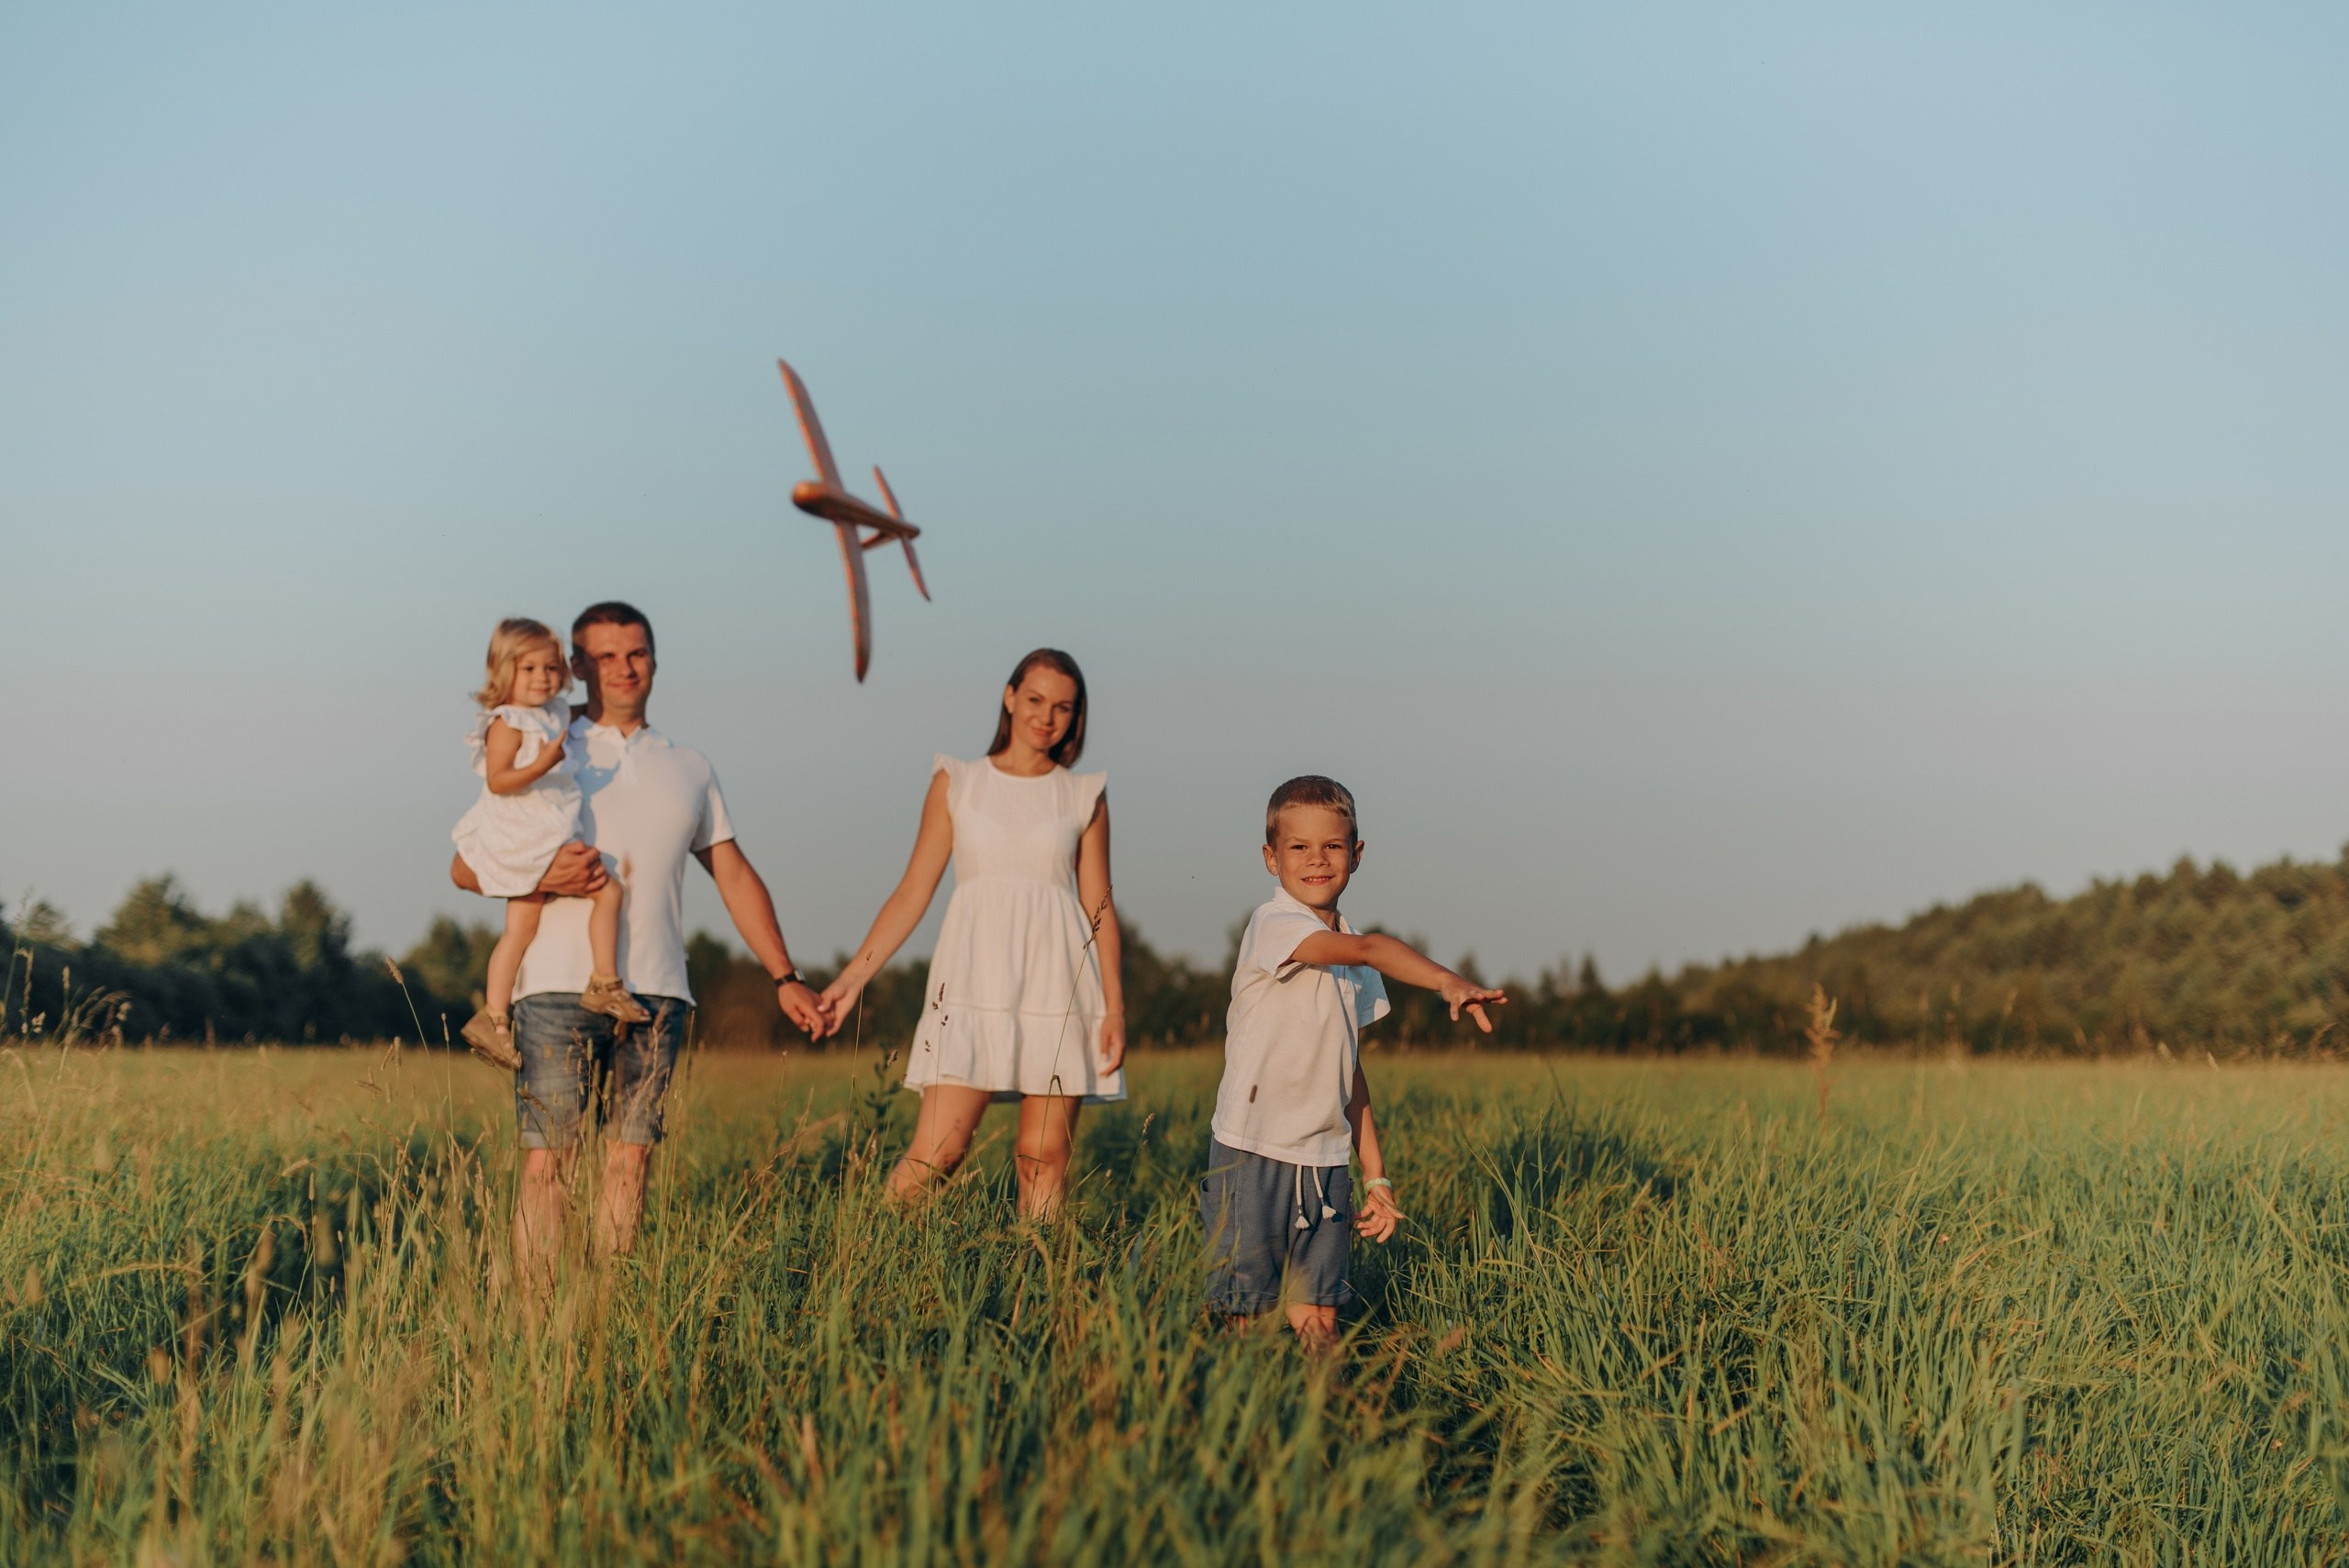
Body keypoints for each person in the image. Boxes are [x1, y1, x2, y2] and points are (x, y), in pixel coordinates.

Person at [450, 601, 829, 1273]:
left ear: (655, 659)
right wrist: (542, 871)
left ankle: (607, 1310)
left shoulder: (689, 764)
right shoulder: (540, 739)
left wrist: (785, 975)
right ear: (575, 664)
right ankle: (538, 1328)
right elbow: (462, 865)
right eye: (604, 656)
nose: (623, 669)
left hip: (657, 990)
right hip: (555, 988)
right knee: (548, 1162)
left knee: (631, 1158)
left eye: (637, 653)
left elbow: (734, 875)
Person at [819, 648, 1124, 1218]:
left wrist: (1115, 1007)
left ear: (1076, 716)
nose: (1046, 717)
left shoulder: (1084, 795)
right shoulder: (957, 781)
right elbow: (913, 891)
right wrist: (851, 980)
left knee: (1043, 1158)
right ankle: (852, 1256)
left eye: (1062, 707)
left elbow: (1099, 905)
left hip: (1059, 985)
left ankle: (1039, 1293)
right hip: (972, 983)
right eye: (1034, 700)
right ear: (1009, 698)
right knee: (937, 1154)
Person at [1205, 774, 1507, 1348]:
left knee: (1319, 1320)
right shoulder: (1274, 926)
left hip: (1323, 1160)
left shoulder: (1350, 953)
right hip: (1251, 1151)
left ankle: (1330, 1428)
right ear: (1271, 858)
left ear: (1356, 854)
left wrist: (1376, 1174)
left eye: (1333, 846)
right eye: (1299, 847)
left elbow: (1350, 1072)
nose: (1317, 860)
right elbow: (1370, 947)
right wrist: (1446, 980)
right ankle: (1239, 1425)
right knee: (1243, 1320)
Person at [451, 617, 649, 1070]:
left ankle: (496, 1019)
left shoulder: (553, 714)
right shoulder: (507, 723)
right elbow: (499, 781)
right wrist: (543, 763)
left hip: (547, 829)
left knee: (522, 929)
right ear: (503, 672)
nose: (542, 678)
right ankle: (603, 982)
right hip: (528, 835)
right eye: (528, 669)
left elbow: (576, 716)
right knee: (607, 892)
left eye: (550, 668)